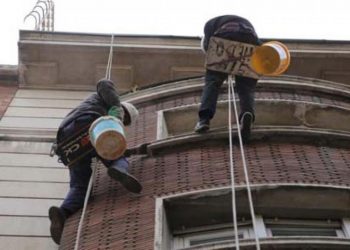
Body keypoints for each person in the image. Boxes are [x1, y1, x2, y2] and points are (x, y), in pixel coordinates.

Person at [48, 78, 142, 244]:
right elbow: (103, 83)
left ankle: (62, 214)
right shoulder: (106, 101)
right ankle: (120, 170)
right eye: (124, 119)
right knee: (115, 153)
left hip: (68, 141)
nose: (122, 122)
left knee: (80, 186)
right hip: (88, 123)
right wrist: (116, 107)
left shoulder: (96, 114)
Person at [195, 15, 262, 143]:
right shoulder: (242, 22)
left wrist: (219, 66)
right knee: (246, 87)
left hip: (225, 34)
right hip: (251, 39)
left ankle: (204, 119)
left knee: (212, 82)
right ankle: (247, 113)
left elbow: (211, 46)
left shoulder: (210, 25)